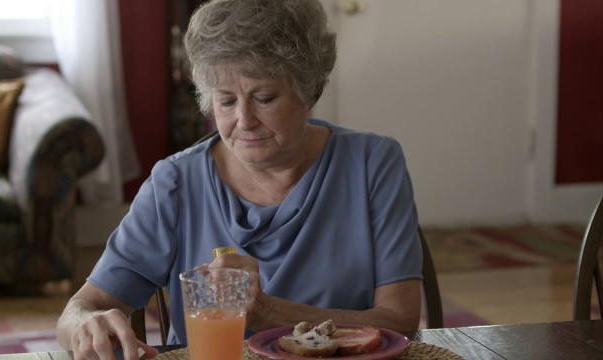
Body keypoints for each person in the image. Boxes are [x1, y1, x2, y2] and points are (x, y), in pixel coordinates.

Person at [56, 0, 423, 358]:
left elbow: (400, 323)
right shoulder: (176, 182)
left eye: (264, 98)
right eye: (226, 101)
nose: (244, 121)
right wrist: (86, 322)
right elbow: (80, 309)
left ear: (309, 91)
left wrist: (269, 313)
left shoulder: (372, 164)